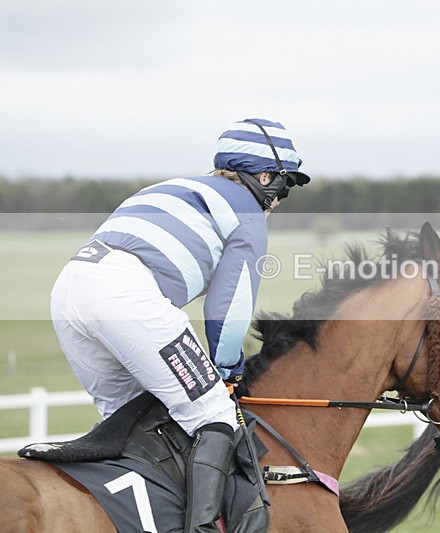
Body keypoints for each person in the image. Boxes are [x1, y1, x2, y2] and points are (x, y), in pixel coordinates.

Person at [49, 117, 310, 531]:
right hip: (125, 296)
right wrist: (227, 370)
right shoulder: (247, 213)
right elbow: (229, 306)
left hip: (68, 290)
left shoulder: (173, 187)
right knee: (215, 414)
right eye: (284, 186)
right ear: (263, 176)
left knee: (135, 421)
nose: (279, 200)